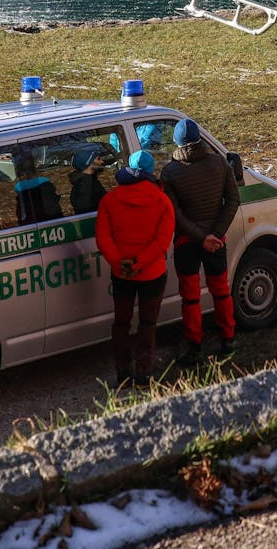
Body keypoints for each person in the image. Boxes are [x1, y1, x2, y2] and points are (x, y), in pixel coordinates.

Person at [160, 119, 240, 363]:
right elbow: (233, 201)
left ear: (177, 141)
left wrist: (200, 237)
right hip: (217, 240)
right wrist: (215, 234)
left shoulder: (170, 172)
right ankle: (228, 339)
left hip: (187, 242)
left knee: (191, 296)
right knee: (221, 291)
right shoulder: (220, 163)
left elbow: (175, 214)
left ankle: (195, 345)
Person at [94, 151, 174, 386]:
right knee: (147, 323)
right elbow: (162, 242)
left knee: (121, 323)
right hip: (152, 273)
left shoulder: (109, 200)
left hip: (122, 274)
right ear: (151, 172)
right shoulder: (162, 201)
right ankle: (144, 374)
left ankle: (122, 373)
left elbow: (103, 238)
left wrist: (121, 263)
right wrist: (140, 263)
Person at [13, 151, 62, 224]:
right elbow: (54, 208)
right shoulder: (45, 182)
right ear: (35, 167)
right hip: (52, 222)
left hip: (29, 226)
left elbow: (21, 213)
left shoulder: (19, 187)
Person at [69, 148, 112, 215]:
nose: (102, 161)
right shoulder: (84, 185)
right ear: (88, 163)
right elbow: (87, 213)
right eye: (98, 159)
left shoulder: (90, 180)